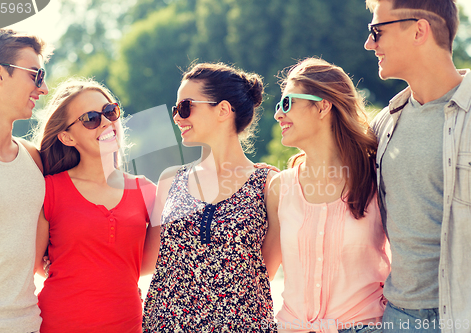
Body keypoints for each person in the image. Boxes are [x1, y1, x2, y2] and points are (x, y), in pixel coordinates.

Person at [142, 62, 278, 332]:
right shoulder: (170, 180)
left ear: (223, 110)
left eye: (185, 107)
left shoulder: (270, 185)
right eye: (175, 109)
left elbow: (262, 277)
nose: (177, 117)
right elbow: (145, 261)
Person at [364, 0, 471, 332]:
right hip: (399, 318)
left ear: (419, 30)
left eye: (377, 31)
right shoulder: (383, 125)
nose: (369, 43)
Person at [264, 58, 390, 333]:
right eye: (278, 106)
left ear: (323, 105)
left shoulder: (377, 179)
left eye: (287, 103)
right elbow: (261, 277)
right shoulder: (279, 188)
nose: (278, 114)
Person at [33, 78, 156, 332]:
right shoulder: (49, 189)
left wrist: (251, 175)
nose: (106, 123)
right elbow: (35, 264)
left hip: (126, 324)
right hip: (58, 324)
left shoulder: (146, 190)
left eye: (110, 112)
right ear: (67, 137)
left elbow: (145, 264)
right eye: (90, 119)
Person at [0, 28, 51, 332]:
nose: (42, 89)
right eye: (36, 75)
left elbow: (37, 259)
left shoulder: (33, 158)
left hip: (29, 325)